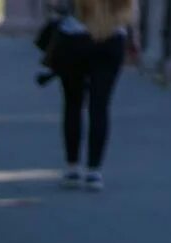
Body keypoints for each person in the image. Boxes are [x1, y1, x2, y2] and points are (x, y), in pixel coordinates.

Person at [52, 0, 135, 192]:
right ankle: (94, 171)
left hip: (74, 38)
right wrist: (133, 38)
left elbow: (57, 5)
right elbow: (130, 9)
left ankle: (72, 168)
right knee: (100, 105)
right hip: (111, 38)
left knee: (72, 103)